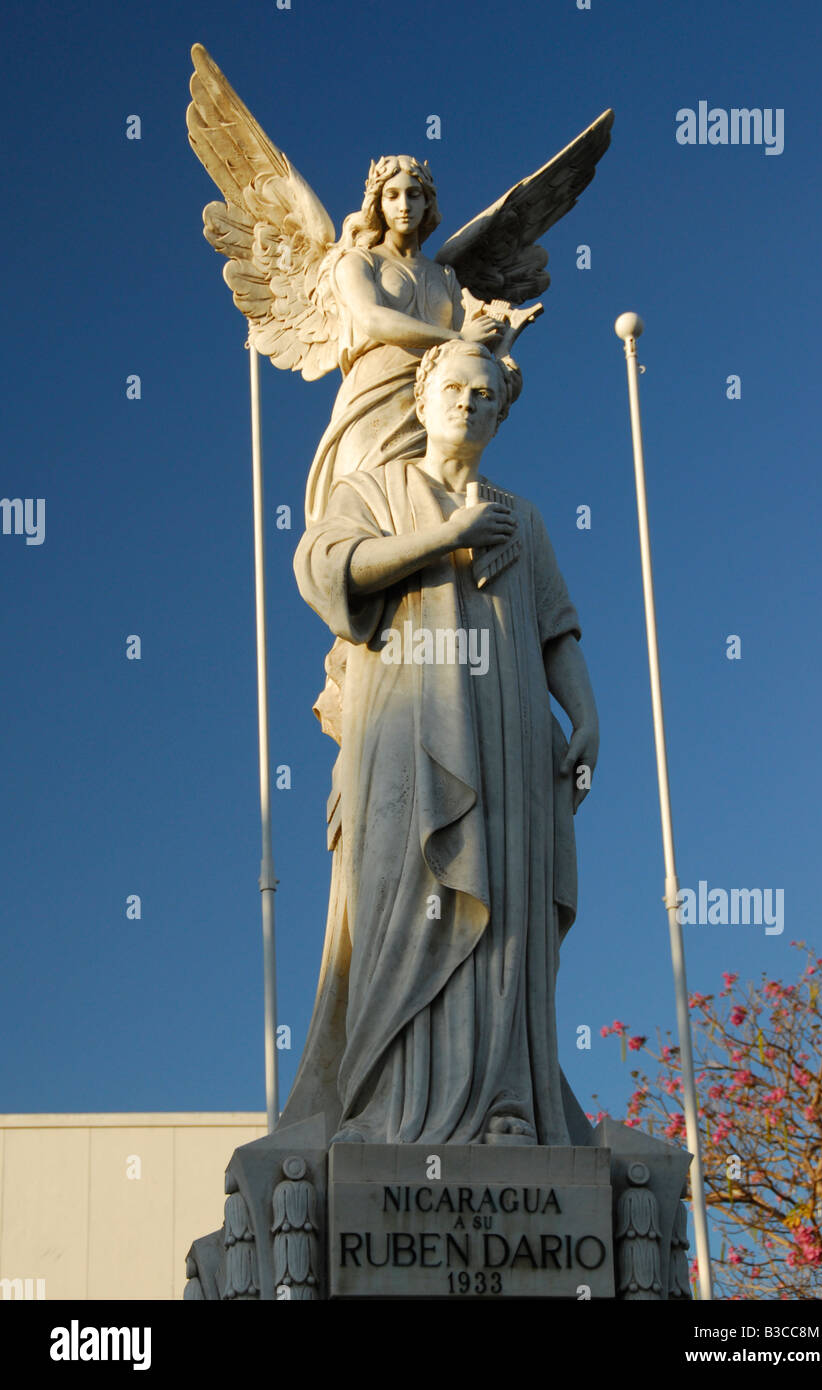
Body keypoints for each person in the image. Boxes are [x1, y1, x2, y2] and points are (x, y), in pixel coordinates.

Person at [283, 340, 599, 1146]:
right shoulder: (374, 490)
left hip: (511, 728)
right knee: (402, 898)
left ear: (501, 411)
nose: (467, 403)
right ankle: (388, 1109)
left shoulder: (522, 516)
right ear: (421, 400)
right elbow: (327, 568)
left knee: (503, 914)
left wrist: (586, 716)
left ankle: (506, 1106)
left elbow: (556, 631)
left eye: (485, 394)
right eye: (453, 388)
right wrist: (444, 537)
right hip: (406, 722)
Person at [304, 156, 504, 524]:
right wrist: (456, 336)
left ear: (428, 202)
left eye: (413, 195)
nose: (403, 205)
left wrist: (499, 351)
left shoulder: (444, 276)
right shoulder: (356, 261)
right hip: (374, 396)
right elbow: (373, 319)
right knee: (366, 503)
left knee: (428, 506)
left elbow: (469, 349)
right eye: (392, 195)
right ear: (377, 204)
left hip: (436, 398)